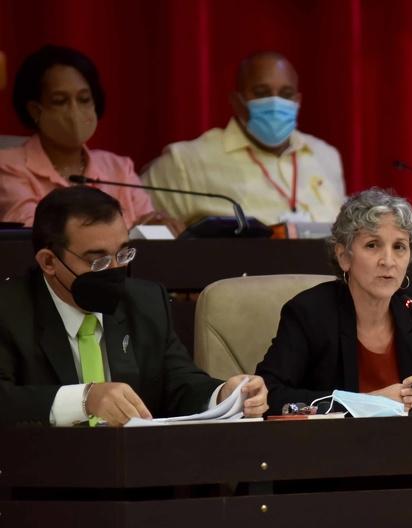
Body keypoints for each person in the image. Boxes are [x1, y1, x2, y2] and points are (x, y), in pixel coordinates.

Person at [0, 186, 268, 426]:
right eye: (98, 261)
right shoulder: (9, 310)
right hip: (42, 474)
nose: (116, 270)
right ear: (49, 262)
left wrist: (225, 395)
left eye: (123, 254)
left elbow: (180, 384)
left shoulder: (145, 302)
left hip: (135, 471)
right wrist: (84, 399)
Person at [256, 188, 412, 414]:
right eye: (372, 245)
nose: (388, 261)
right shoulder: (310, 312)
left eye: (399, 247)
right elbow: (268, 394)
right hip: (334, 445)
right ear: (344, 257)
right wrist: (364, 401)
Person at [142, 51, 346, 226]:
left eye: (286, 93)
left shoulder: (326, 155)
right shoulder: (184, 162)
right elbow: (138, 231)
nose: (275, 102)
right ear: (236, 101)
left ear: (298, 101)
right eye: (261, 92)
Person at [0, 45, 180, 233]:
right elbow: (36, 235)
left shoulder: (119, 168)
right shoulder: (8, 166)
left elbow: (149, 234)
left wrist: (160, 229)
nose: (74, 111)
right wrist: (129, 234)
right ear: (35, 110)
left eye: (84, 99)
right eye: (60, 101)